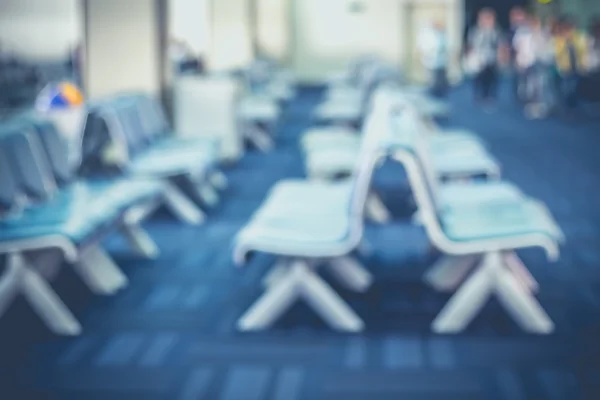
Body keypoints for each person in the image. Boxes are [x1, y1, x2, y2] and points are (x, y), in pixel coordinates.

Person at [513, 15, 554, 119]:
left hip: (540, 64)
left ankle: (539, 106)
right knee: (527, 85)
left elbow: (547, 48)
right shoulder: (523, 33)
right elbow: (518, 47)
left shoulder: (543, 34)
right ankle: (529, 104)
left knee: (540, 85)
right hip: (526, 63)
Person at [466, 8, 507, 111]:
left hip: (491, 58)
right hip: (479, 58)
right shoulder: (476, 31)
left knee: (491, 77)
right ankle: (479, 96)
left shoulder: (495, 31)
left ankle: (489, 96)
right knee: (479, 78)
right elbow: (471, 45)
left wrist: (501, 56)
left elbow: (501, 44)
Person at [552, 16, 589, 113]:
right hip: (565, 70)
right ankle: (566, 109)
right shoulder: (559, 40)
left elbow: (583, 51)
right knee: (566, 90)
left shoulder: (578, 38)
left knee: (575, 90)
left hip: (577, 69)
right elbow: (556, 53)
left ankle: (575, 109)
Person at [419, 20, 449, 97]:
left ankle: (439, 93)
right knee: (432, 80)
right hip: (431, 62)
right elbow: (424, 47)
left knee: (439, 80)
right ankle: (432, 94)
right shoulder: (428, 35)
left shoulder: (442, 35)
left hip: (440, 62)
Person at [509, 7, 529, 102]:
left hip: (526, 57)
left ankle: (525, 95)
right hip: (515, 57)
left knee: (526, 78)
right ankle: (518, 95)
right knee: (517, 77)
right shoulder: (511, 29)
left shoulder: (527, 29)